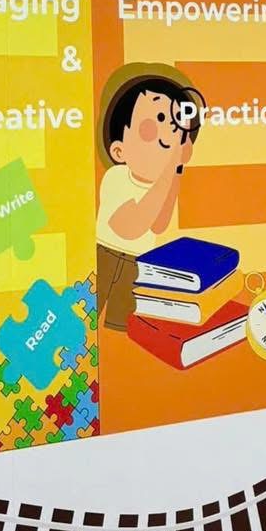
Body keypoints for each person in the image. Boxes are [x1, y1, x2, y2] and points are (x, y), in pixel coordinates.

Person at [94, 63, 205, 331]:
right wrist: (170, 169)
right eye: (155, 124)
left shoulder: (161, 186)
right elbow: (132, 226)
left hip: (137, 265)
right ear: (119, 150)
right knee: (83, 317)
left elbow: (158, 224)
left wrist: (176, 170)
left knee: (121, 328)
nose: (167, 135)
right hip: (104, 257)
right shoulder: (116, 178)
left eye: (175, 131)